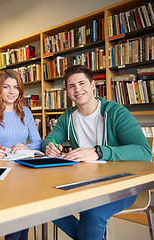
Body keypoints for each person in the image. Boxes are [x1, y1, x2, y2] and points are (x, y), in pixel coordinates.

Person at [41, 65, 152, 240]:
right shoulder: (68, 117)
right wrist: (50, 146)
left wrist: (99, 152)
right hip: (82, 183)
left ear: (93, 85)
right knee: (44, 201)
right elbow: (49, 140)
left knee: (91, 212)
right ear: (68, 92)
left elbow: (144, 152)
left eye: (82, 83)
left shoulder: (116, 112)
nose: (77, 89)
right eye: (71, 86)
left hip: (122, 185)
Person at [0, 69, 42, 240]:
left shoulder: (26, 112)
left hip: (24, 170)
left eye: (16, 87)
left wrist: (25, 147)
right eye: (6, 87)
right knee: (16, 219)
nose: (12, 92)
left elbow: (37, 142)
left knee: (24, 218)